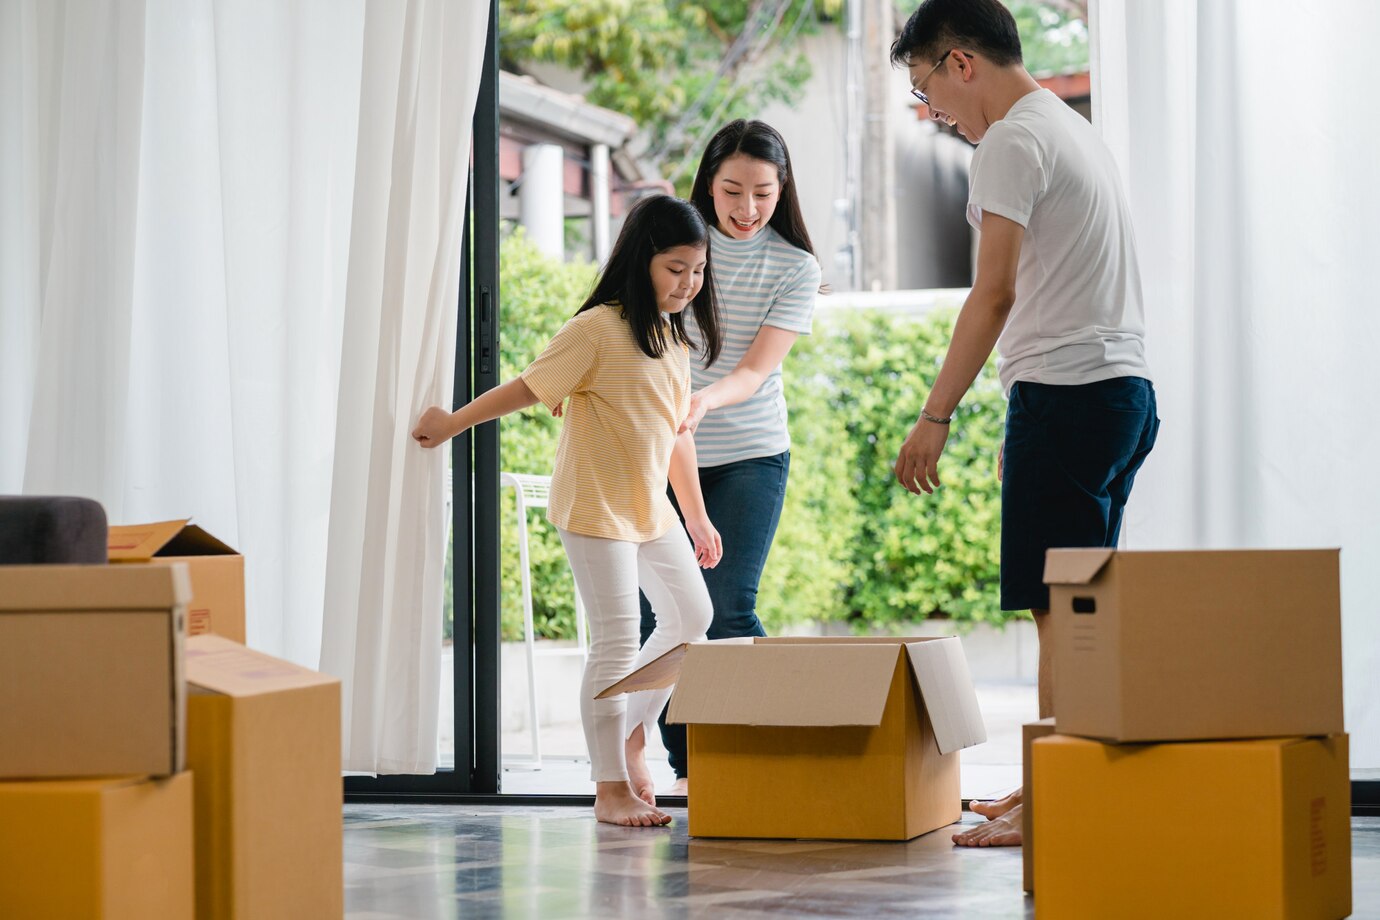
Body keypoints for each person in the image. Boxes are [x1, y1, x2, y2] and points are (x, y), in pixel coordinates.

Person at [888, 0, 1160, 847]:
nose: (934, 112)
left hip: (1072, 400)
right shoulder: (1067, 128)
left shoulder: (1009, 140)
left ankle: (1055, 801)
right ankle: (1062, 775)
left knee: (1059, 615)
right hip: (1116, 395)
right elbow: (1062, 289)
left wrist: (937, 413)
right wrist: (1022, 415)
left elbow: (996, 292)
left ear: (961, 62)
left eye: (928, 88)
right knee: (1086, 612)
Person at [412, 195, 725, 827]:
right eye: (675, 269)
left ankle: (628, 736)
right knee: (614, 644)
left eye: (697, 270)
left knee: (694, 618)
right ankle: (609, 786)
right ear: (641, 261)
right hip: (594, 506)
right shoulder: (594, 329)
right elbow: (529, 387)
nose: (689, 283)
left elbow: (675, 436)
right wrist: (450, 425)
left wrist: (696, 517)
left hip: (649, 508)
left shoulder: (672, 338)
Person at [637, 120, 823, 797]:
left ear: (783, 191)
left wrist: (703, 402)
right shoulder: (675, 245)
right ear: (708, 185)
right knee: (661, 614)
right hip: (658, 455)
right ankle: (691, 769)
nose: (747, 209)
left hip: (748, 452)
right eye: (732, 191)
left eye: (764, 194)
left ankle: (773, 755)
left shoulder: (795, 266)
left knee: (729, 607)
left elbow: (754, 372)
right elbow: (619, 325)